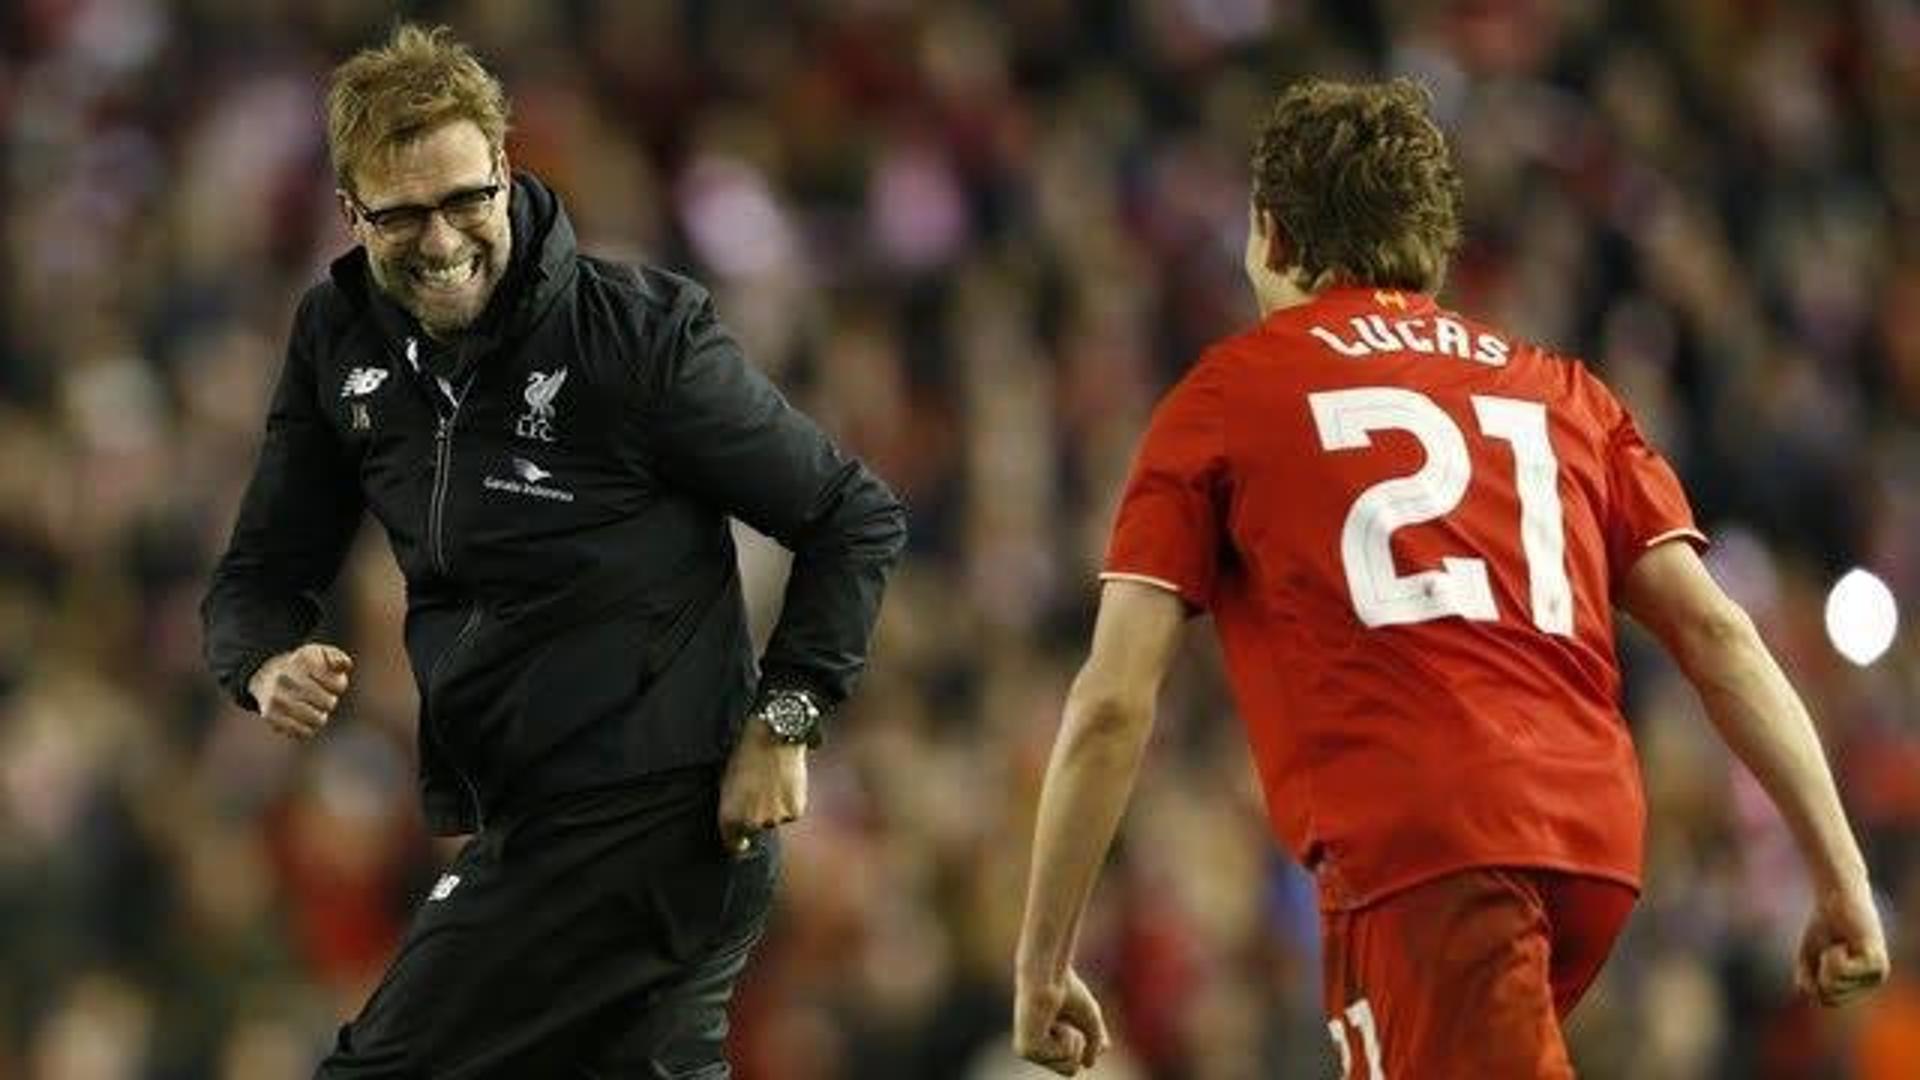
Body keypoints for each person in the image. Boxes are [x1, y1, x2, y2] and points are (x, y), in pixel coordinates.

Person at [1012, 78, 1888, 1078]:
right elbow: (1716, 633)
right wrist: (1841, 874)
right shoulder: (1565, 392)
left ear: (1270, 235)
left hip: (1431, 850)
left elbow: (1115, 702)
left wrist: (1042, 959)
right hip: (1595, 844)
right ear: (1430, 244)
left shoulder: (1226, 396)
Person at [200, 23, 905, 1078]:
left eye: (464, 201)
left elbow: (852, 515)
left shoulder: (636, 339)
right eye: (401, 215)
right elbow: (261, 573)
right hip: (530, 820)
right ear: (351, 213)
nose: (440, 242)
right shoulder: (338, 342)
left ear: (506, 168)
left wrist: (788, 715)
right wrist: (263, 661)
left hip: (646, 819)